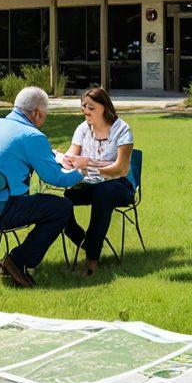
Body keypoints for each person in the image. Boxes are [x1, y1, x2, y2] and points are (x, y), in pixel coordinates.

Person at [0, 86, 89, 287]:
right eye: (45, 115)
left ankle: (14, 263)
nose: (44, 120)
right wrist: (81, 169)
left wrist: (49, 155)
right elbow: (56, 179)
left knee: (43, 203)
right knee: (61, 207)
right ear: (37, 113)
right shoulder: (32, 136)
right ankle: (18, 260)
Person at [62, 87, 135, 275]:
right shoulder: (82, 128)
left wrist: (90, 165)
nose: (85, 110)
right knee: (64, 200)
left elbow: (121, 168)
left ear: (104, 107)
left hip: (118, 184)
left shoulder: (122, 129)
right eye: (83, 107)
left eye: (91, 107)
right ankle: (84, 242)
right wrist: (65, 159)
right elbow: (72, 153)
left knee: (103, 194)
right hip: (90, 184)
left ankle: (92, 260)